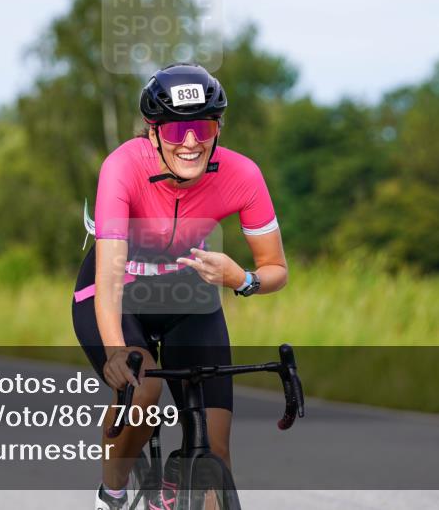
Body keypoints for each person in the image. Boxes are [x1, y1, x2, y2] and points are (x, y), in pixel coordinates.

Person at [71, 63, 288, 509]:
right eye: (175, 130)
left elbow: (276, 269)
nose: (190, 142)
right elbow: (109, 278)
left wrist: (242, 279)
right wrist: (115, 350)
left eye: (202, 127)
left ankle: (180, 488)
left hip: (188, 297)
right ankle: (112, 494)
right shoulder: (123, 166)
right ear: (153, 132)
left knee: (215, 450)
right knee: (143, 390)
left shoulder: (243, 175)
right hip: (118, 295)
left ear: (217, 128)